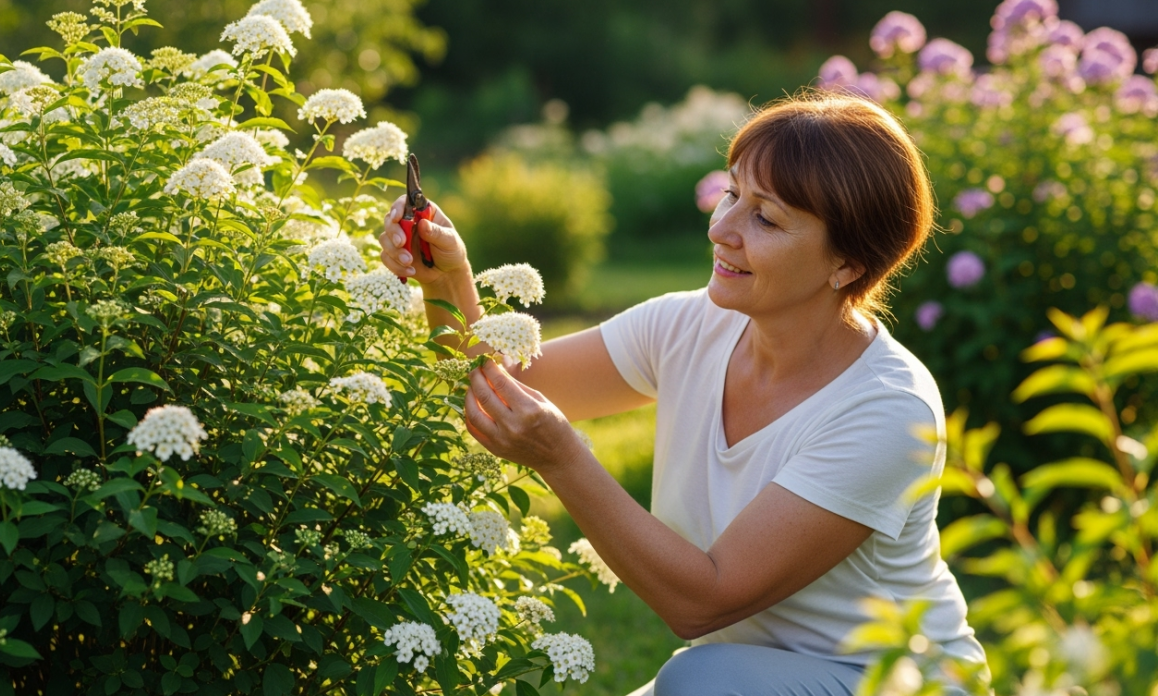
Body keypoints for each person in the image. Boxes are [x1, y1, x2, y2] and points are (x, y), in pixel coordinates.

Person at [379, 93, 988, 696]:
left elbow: (702, 602)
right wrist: (446, 279)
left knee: (697, 680)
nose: (721, 229)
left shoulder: (886, 410)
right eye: (732, 194)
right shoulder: (690, 326)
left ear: (848, 265)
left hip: (898, 682)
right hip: (743, 678)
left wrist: (562, 458)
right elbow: (502, 392)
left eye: (765, 218)